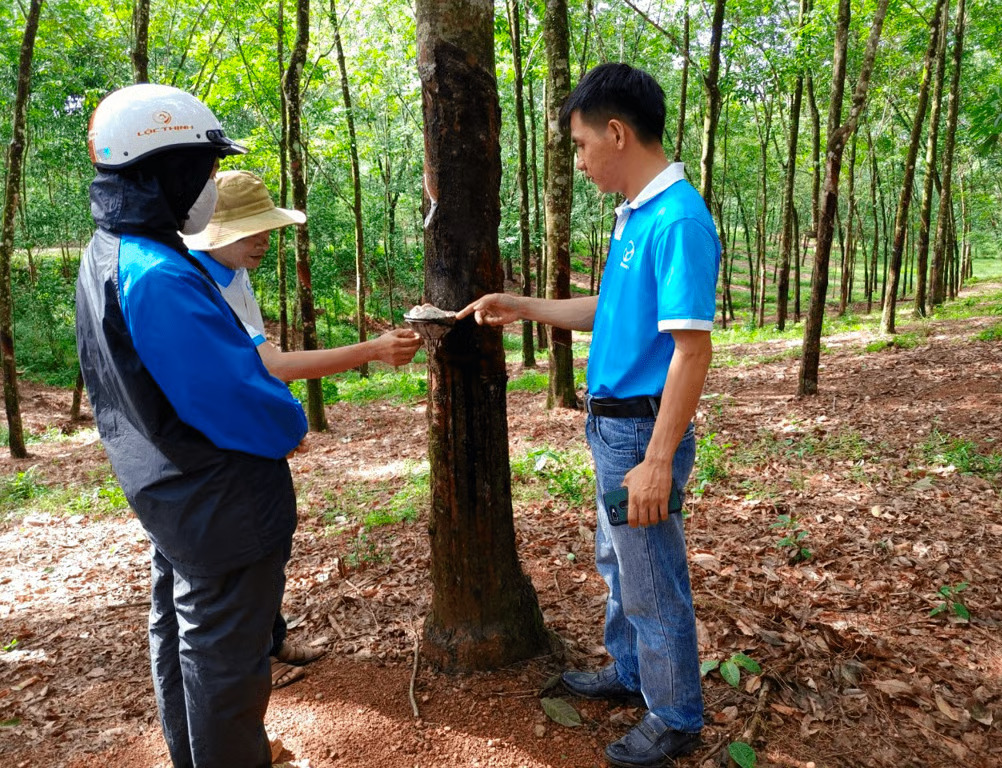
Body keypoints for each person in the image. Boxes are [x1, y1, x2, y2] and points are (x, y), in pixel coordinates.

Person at [458, 62, 720, 768]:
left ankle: (675, 714)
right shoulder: (634, 217)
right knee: (619, 561)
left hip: (641, 430)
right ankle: (633, 671)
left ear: (616, 132)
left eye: (579, 144)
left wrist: (658, 460)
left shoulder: (678, 221)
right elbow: (610, 315)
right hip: (611, 425)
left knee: (651, 576)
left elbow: (691, 353)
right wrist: (523, 306)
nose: (579, 160)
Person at [76, 83, 307, 767]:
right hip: (222, 501)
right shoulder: (157, 275)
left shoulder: (109, 253)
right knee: (227, 662)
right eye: (202, 169)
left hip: (171, 493)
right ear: (165, 169)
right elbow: (231, 394)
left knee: (183, 637)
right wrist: (289, 421)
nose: (209, 184)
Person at [182, 169, 422, 687]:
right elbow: (271, 365)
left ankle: (270, 639)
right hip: (215, 452)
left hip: (250, 439)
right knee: (242, 557)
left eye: (267, 228)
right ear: (215, 233)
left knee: (271, 543)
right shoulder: (192, 282)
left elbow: (260, 356)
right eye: (250, 231)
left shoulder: (235, 275)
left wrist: (281, 420)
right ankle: (250, 667)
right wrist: (372, 351)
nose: (264, 241)